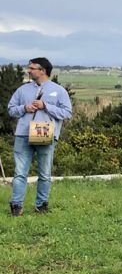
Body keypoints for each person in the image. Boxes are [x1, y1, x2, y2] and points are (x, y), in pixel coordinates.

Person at [7, 57, 73, 216]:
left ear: (42, 70)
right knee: (20, 173)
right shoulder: (22, 90)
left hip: (46, 134)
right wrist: (24, 108)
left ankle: (41, 206)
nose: (28, 71)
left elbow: (67, 113)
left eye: (32, 68)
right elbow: (11, 109)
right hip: (23, 134)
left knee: (44, 173)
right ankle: (16, 206)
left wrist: (46, 106)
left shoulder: (59, 90)